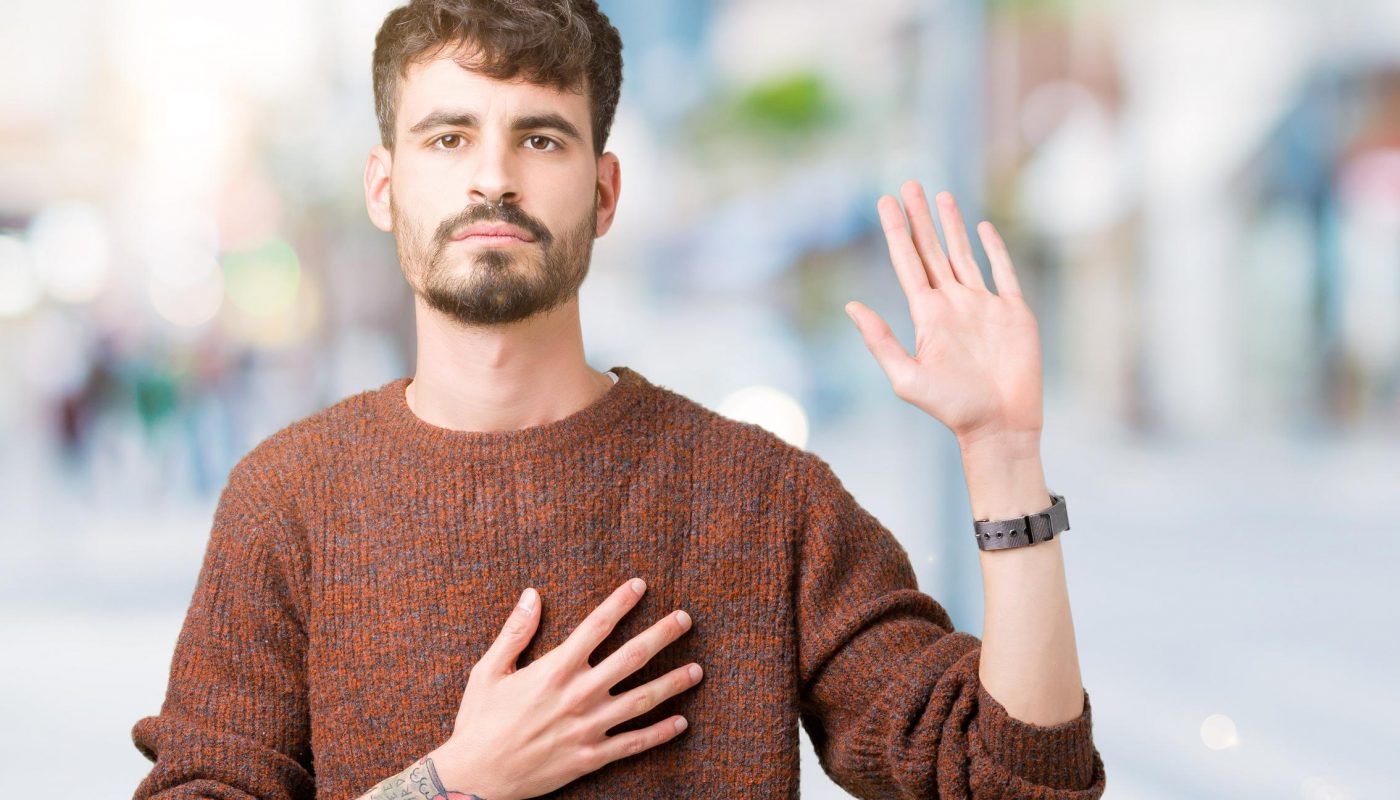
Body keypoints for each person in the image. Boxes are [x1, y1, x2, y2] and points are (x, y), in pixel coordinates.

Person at [132, 1, 1105, 798]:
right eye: (447, 136)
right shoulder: (287, 498)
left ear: (602, 192)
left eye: (540, 137)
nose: (491, 177)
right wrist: (452, 781)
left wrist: (1002, 454)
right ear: (385, 186)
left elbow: (1014, 779)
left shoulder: (763, 497)